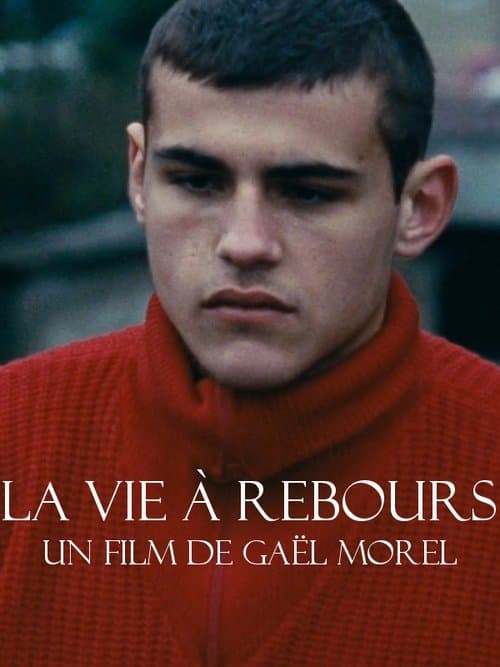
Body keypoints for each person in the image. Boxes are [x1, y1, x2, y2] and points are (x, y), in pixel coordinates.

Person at [1, 1, 498, 665]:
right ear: (139, 177)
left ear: (418, 207)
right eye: (197, 181)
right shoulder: (15, 439)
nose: (245, 243)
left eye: (309, 192)